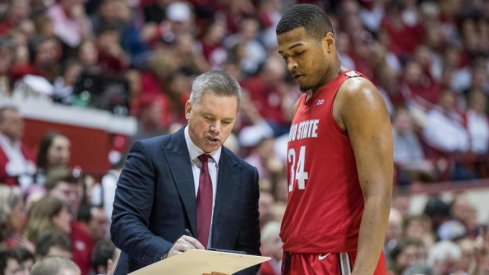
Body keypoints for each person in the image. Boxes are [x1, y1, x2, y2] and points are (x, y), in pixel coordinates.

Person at [276, 4, 393, 275]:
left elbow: (379, 194)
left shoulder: (355, 93)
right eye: (285, 57)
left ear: (328, 42)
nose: (291, 64)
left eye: (299, 52)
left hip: (338, 258)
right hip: (298, 254)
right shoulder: (300, 105)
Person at [110, 71, 261, 274]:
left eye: (226, 121)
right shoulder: (149, 155)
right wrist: (165, 252)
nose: (216, 128)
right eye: (209, 117)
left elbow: (248, 252)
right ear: (189, 109)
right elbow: (124, 224)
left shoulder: (246, 176)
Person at [0, 105, 36, 187]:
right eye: (14, 122)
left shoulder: (28, 152)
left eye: (21, 122)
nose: (20, 125)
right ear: (1, 124)